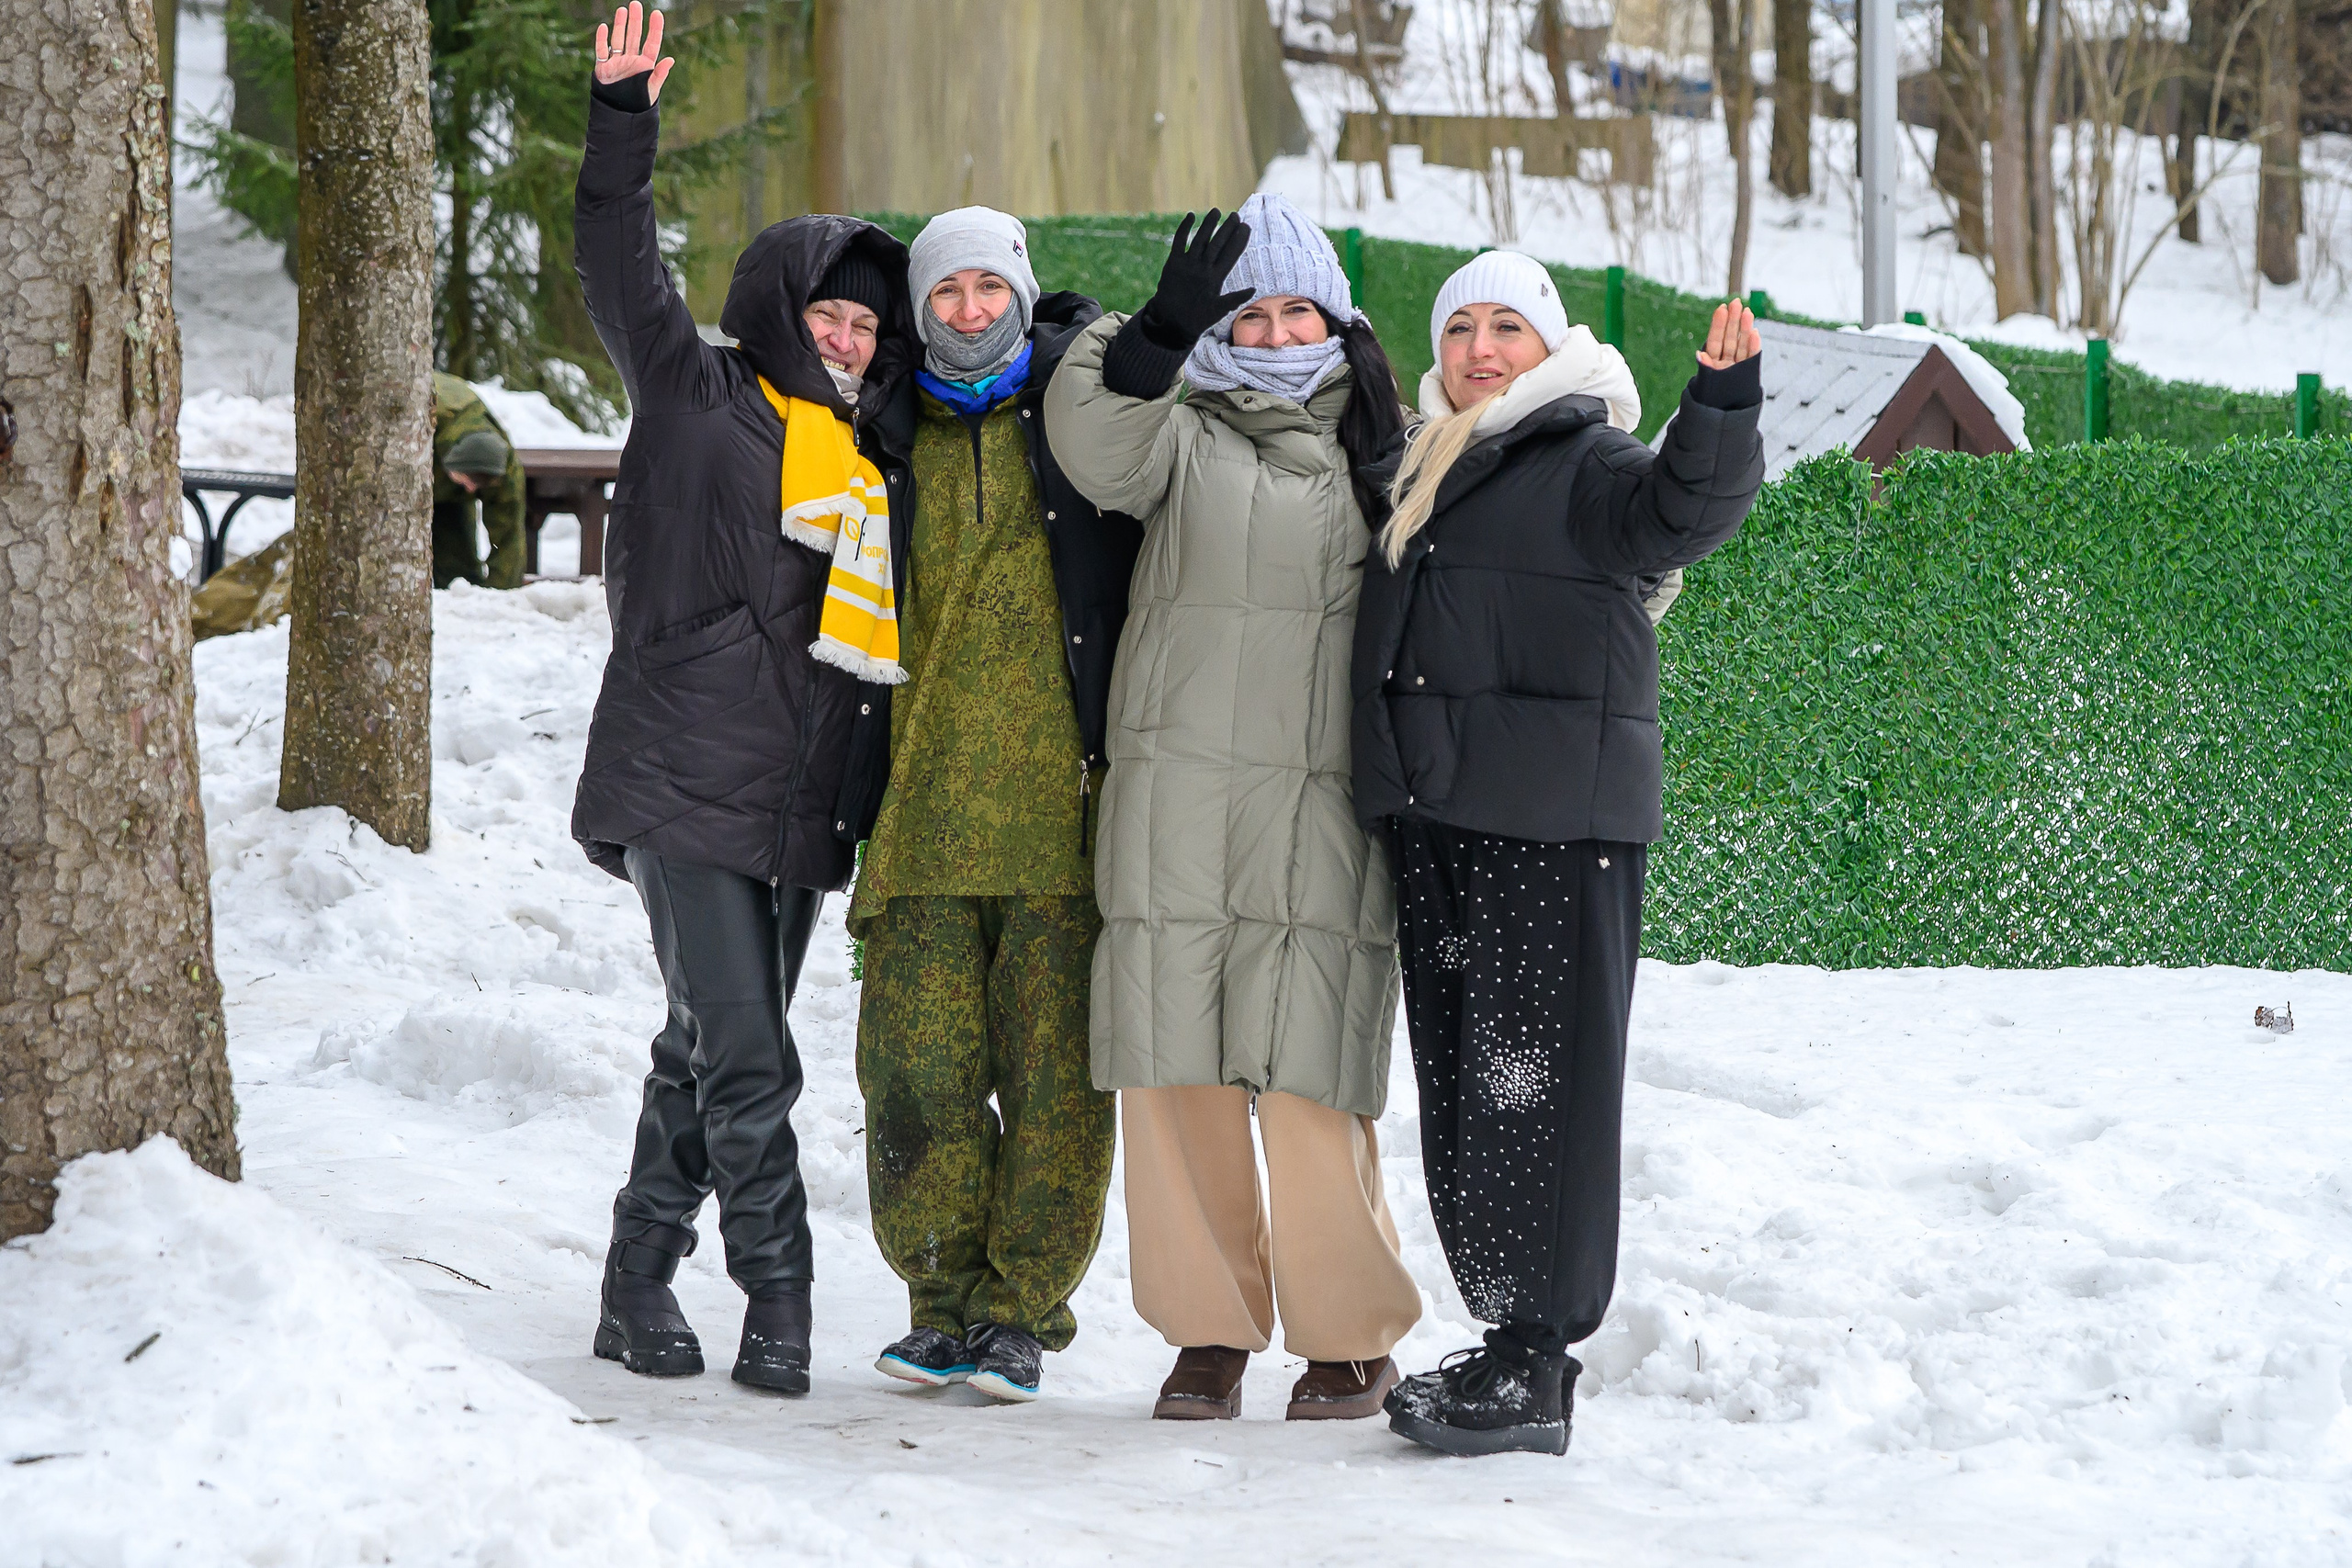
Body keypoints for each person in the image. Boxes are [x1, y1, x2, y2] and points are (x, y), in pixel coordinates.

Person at [1351, 251, 1766, 1456]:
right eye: (1463, 328)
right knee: (1469, 1092)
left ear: (1550, 344)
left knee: (1540, 1092)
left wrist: (1722, 409)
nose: (1482, 348)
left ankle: (1539, 1358)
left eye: (1507, 328)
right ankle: (1501, 1333)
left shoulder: (1590, 459)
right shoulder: (1427, 462)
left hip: (1553, 827)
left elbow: (1682, 510)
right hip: (1442, 823)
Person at [571, 3, 919, 1397]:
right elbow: (616, 258)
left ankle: (632, 1275)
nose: (844, 336)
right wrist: (621, 125)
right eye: (829, 311)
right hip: (679, 774)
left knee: (700, 1048)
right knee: (752, 1055)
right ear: (780, 302)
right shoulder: (694, 387)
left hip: (791, 799)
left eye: (861, 324)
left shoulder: (870, 458)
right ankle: (779, 1296)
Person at [1046, 194, 1419, 1424]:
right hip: (1182, 793)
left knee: (1315, 1077)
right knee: (1177, 1072)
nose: (1269, 335)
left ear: (1340, 321)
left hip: (1323, 806)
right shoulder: (1176, 430)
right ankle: (1207, 1333)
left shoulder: (1397, 450)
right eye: (1244, 314)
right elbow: (1089, 439)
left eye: (1293, 310)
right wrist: (1153, 332)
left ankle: (1349, 1335)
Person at [847, 207, 1144, 1404]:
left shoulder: (1074, 423)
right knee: (914, 1076)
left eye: (987, 287)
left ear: (1020, 290)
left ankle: (1021, 1312)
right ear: (917, 311)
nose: (969, 312)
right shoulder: (878, 433)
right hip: (915, 821)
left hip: (1059, 827)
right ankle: (939, 1303)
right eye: (944, 294)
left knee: (1056, 1081)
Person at [431, 372, 527, 589]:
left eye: (480, 482)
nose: (472, 489)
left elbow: (508, 536)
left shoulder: (503, 467)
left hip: (446, 487)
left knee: (459, 576)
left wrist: (503, 596)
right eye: (468, 478)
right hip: (429, 461)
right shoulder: (422, 424)